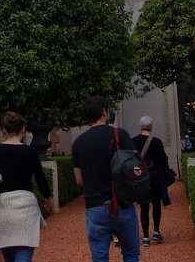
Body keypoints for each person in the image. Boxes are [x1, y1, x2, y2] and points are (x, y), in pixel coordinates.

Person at [71, 95, 140, 262]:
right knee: (130, 255)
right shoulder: (120, 134)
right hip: (121, 204)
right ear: (104, 112)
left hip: (95, 207)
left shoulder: (78, 143)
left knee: (100, 258)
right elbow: (136, 169)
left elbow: (79, 180)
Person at [0, 112, 53, 262]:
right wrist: (48, 198)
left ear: (3, 129)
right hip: (26, 208)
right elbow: (41, 179)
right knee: (24, 254)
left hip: (2, 208)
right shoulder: (30, 152)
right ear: (23, 129)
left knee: (8, 256)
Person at [132, 116, 168, 247]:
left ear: (140, 126)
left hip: (141, 177)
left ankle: (146, 236)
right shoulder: (157, 142)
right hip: (155, 176)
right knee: (156, 204)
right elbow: (164, 159)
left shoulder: (134, 141)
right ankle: (157, 231)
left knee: (144, 207)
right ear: (151, 127)